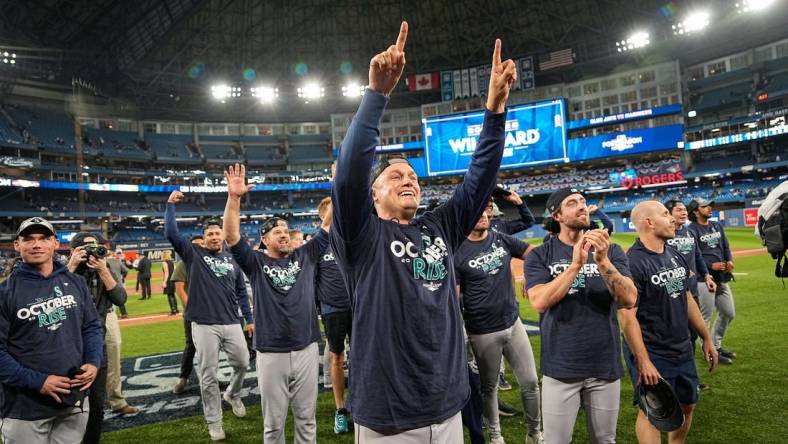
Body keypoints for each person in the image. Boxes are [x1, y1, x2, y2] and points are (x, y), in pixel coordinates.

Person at [330, 22, 516, 441]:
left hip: (447, 404)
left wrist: (496, 110)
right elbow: (348, 176)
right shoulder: (361, 235)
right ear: (373, 195)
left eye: (412, 174)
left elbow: (479, 180)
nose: (408, 178)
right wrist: (376, 95)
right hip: (388, 416)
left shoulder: (439, 227)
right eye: (395, 175)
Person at [223, 165, 329, 444]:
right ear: (264, 239)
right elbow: (232, 237)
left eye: (285, 230)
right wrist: (234, 199)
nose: (283, 234)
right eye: (276, 232)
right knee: (273, 425)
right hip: (271, 350)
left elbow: (330, 224)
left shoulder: (306, 255)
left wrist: (340, 184)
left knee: (307, 419)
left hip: (306, 346)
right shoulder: (255, 262)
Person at [524, 188, 637, 444]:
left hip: (604, 365)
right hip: (561, 367)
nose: (582, 206)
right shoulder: (541, 255)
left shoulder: (612, 251)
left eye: (583, 201)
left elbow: (629, 299)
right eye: (572, 203)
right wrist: (575, 266)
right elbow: (540, 302)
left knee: (605, 441)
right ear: (557, 216)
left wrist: (603, 262)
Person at [619, 201, 719, 444]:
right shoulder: (632, 263)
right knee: (652, 411)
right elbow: (627, 316)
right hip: (652, 350)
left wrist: (706, 338)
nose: (672, 219)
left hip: (681, 346)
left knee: (687, 404)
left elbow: (687, 299)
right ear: (648, 223)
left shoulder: (674, 254)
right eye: (665, 214)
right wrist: (643, 360)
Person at [0, 217, 103, 444]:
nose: (36, 244)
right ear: (17, 245)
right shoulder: (5, 293)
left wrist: (93, 362)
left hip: (74, 400)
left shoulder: (75, 282)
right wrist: (38, 381)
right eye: (28, 239)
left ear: (55, 243)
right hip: (25, 408)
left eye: (44, 238)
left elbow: (92, 327)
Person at [165, 193, 253, 441]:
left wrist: (249, 319)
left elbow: (241, 293)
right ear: (203, 240)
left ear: (224, 236)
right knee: (208, 374)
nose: (215, 237)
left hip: (231, 321)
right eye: (210, 235)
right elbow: (171, 234)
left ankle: (233, 394)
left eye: (218, 233)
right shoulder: (193, 254)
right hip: (204, 324)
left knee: (243, 363)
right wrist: (171, 205)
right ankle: (214, 421)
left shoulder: (232, 259)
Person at [454, 209, 541, 444]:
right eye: (477, 210)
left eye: (486, 209)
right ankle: (495, 436)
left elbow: (533, 253)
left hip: (513, 323)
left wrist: (532, 277)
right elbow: (454, 298)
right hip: (482, 331)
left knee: (531, 382)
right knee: (489, 388)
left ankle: (534, 433)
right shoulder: (458, 251)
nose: (483, 214)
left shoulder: (500, 238)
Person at [67, 232, 128, 444]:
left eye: (95, 247)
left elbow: (120, 298)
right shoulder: (62, 272)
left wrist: (103, 270)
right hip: (68, 345)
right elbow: (51, 293)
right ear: (73, 251)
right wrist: (72, 267)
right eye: (86, 249)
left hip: (95, 343)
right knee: (68, 404)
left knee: (96, 402)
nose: (92, 253)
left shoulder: (103, 269)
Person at [314, 197, 352, 434]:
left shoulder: (352, 238)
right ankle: (340, 410)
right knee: (337, 357)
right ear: (322, 217)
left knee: (364, 356)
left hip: (359, 306)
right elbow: (312, 280)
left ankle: (360, 401)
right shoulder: (318, 246)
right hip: (332, 309)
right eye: (330, 212)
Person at [687, 198, 737, 363]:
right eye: (704, 206)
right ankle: (709, 351)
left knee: (729, 313)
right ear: (695, 211)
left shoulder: (716, 225)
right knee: (705, 318)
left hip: (721, 278)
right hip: (703, 279)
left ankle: (716, 344)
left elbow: (726, 246)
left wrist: (729, 260)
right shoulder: (691, 230)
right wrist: (710, 266)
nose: (709, 208)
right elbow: (693, 256)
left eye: (709, 206)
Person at [170, 235, 204, 395]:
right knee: (191, 345)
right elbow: (179, 288)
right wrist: (192, 307)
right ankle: (183, 378)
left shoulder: (210, 263)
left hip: (212, 313)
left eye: (201, 245)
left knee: (212, 347)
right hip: (193, 313)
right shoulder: (182, 264)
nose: (199, 248)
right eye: (196, 245)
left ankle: (213, 377)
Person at [109, 248, 129, 318]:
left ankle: (110, 314)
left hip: (108, 283)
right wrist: (123, 276)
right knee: (119, 299)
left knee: (108, 300)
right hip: (118, 283)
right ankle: (124, 313)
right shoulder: (117, 261)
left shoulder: (103, 262)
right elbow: (126, 270)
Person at [161, 250, 178, 315]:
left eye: (162, 255)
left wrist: (164, 282)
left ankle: (173, 310)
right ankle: (176, 309)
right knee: (173, 295)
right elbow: (175, 271)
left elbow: (166, 273)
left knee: (170, 295)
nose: (161, 256)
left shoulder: (164, 263)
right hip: (173, 280)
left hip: (168, 281)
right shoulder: (172, 262)